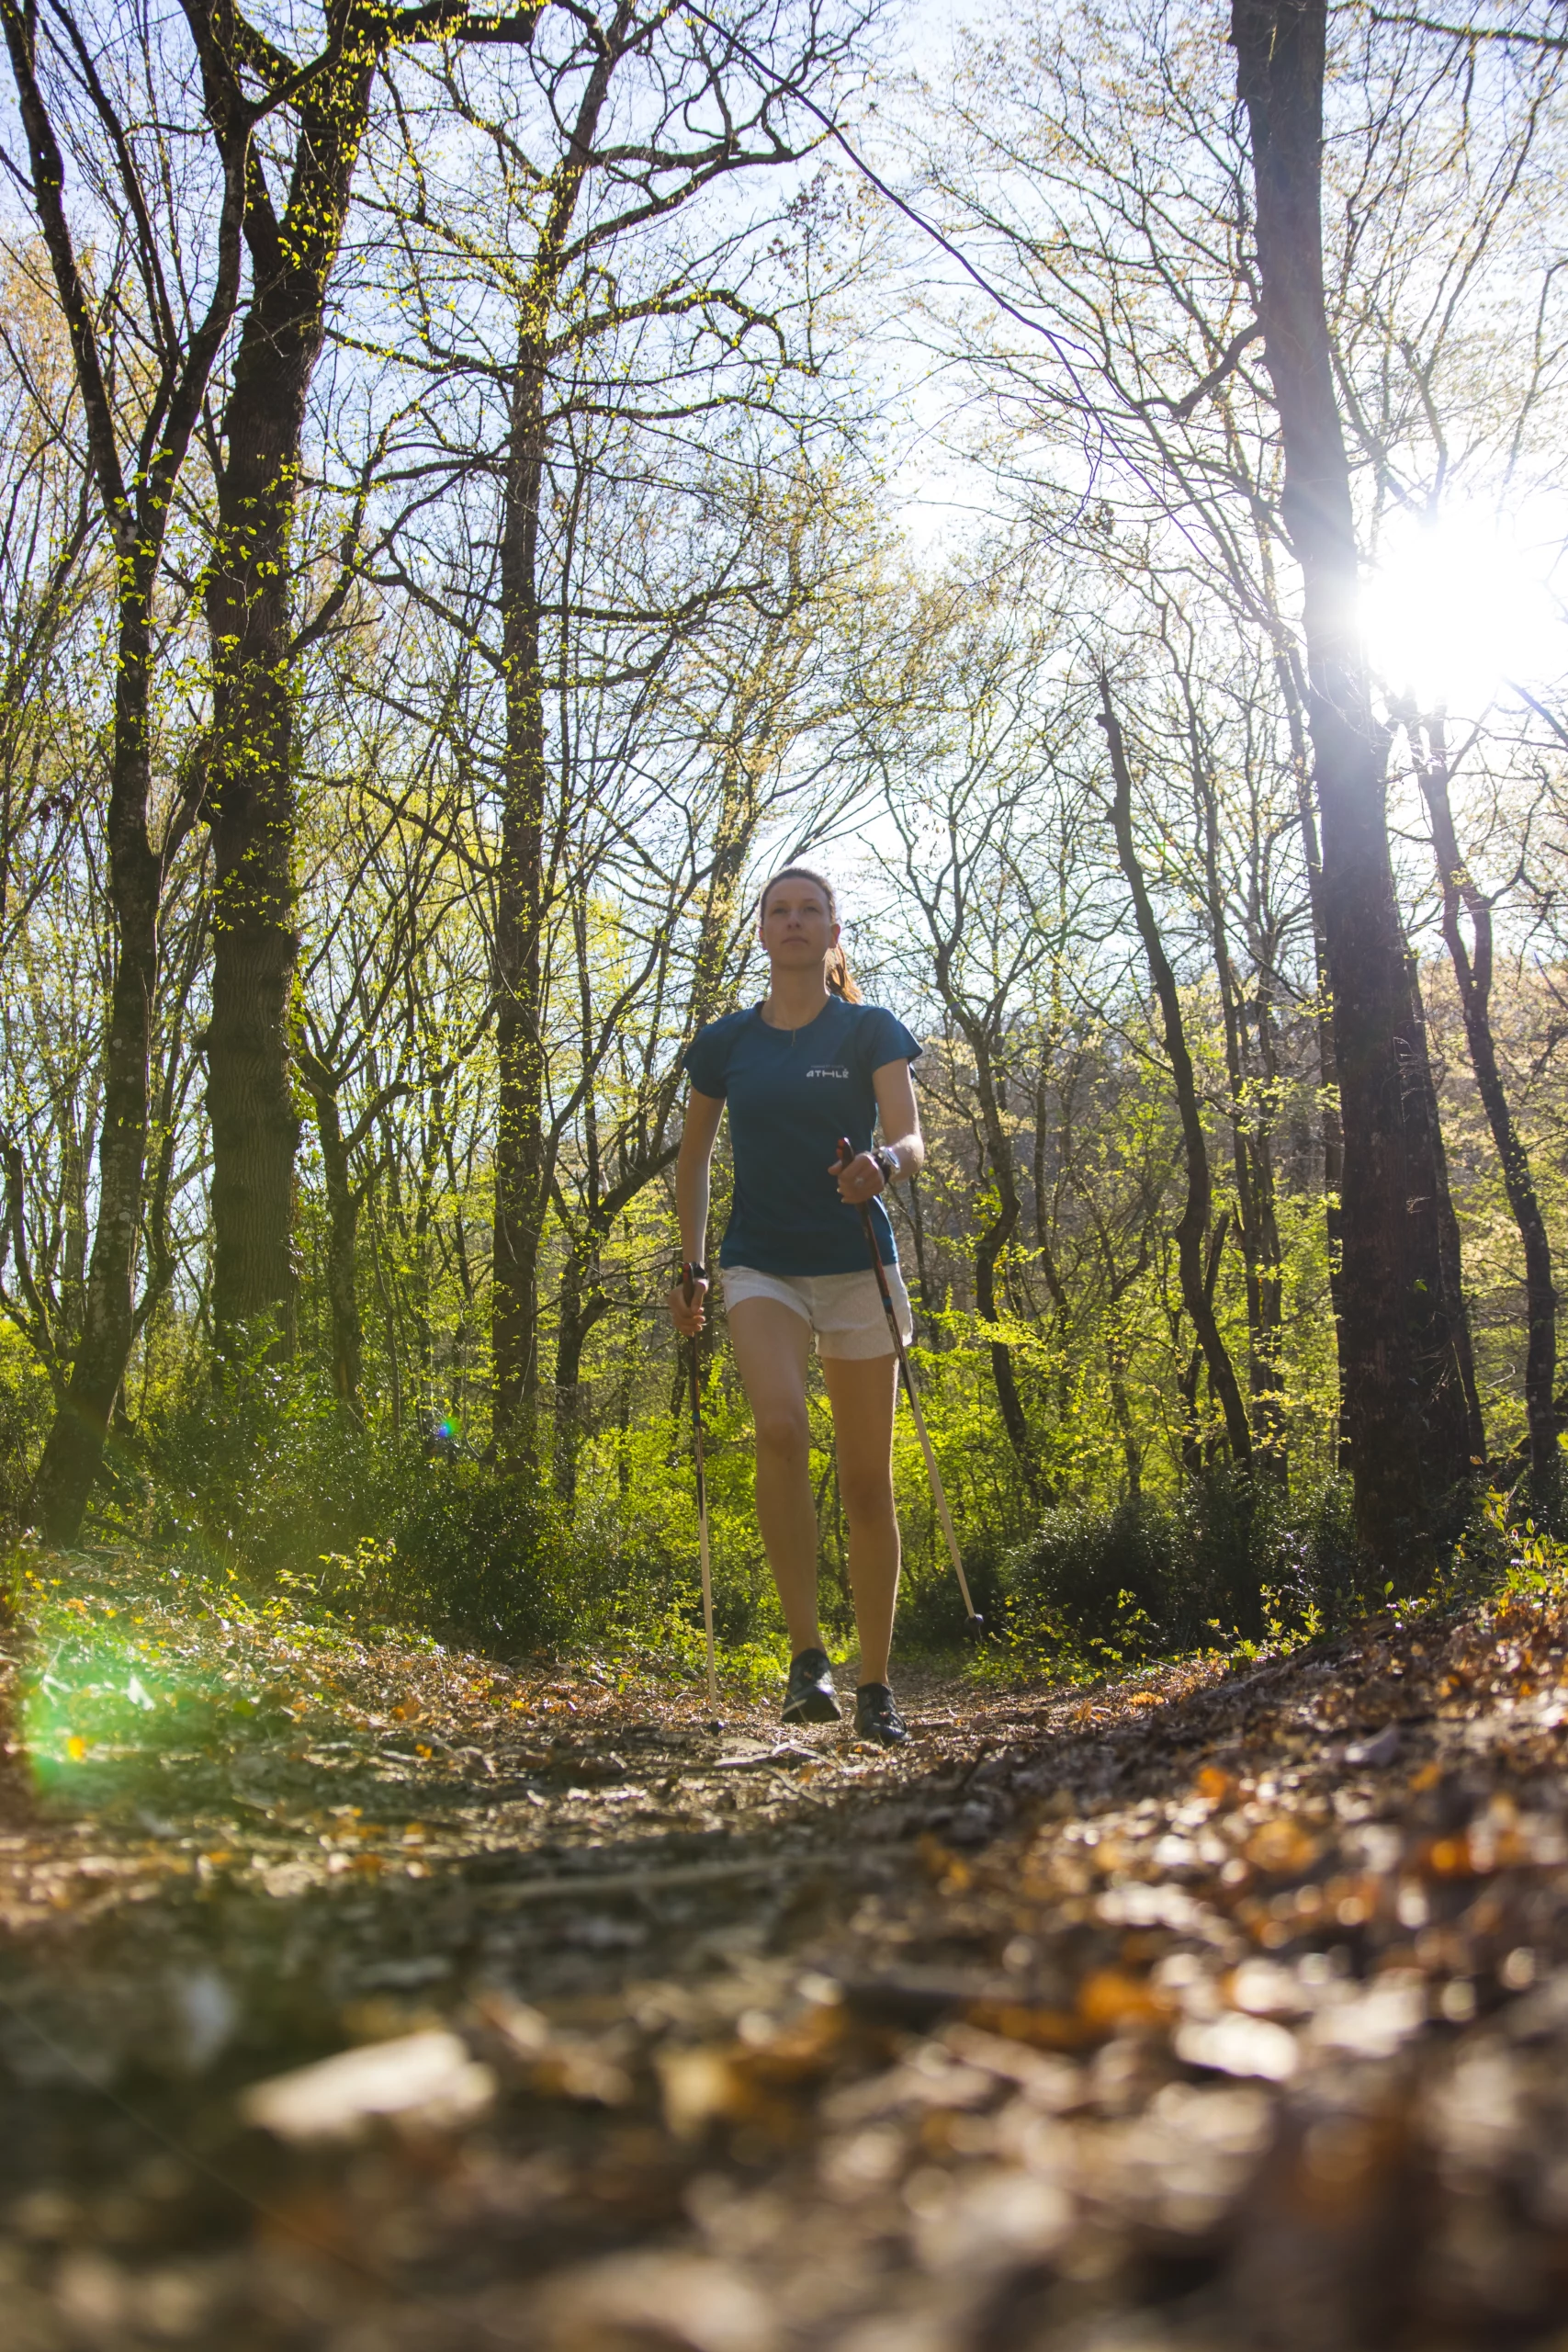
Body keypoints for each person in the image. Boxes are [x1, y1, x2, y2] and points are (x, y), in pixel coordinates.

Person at [669, 866, 925, 1746]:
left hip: (856, 1261)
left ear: (832, 929)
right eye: (778, 911)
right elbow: (694, 1158)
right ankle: (807, 1656)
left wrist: (882, 1166)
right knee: (777, 1428)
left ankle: (876, 1685)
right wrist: (691, 1263)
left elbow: (911, 1135)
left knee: (864, 1479)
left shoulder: (868, 1029)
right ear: (761, 931)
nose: (793, 922)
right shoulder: (725, 1044)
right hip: (759, 1264)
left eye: (809, 910)